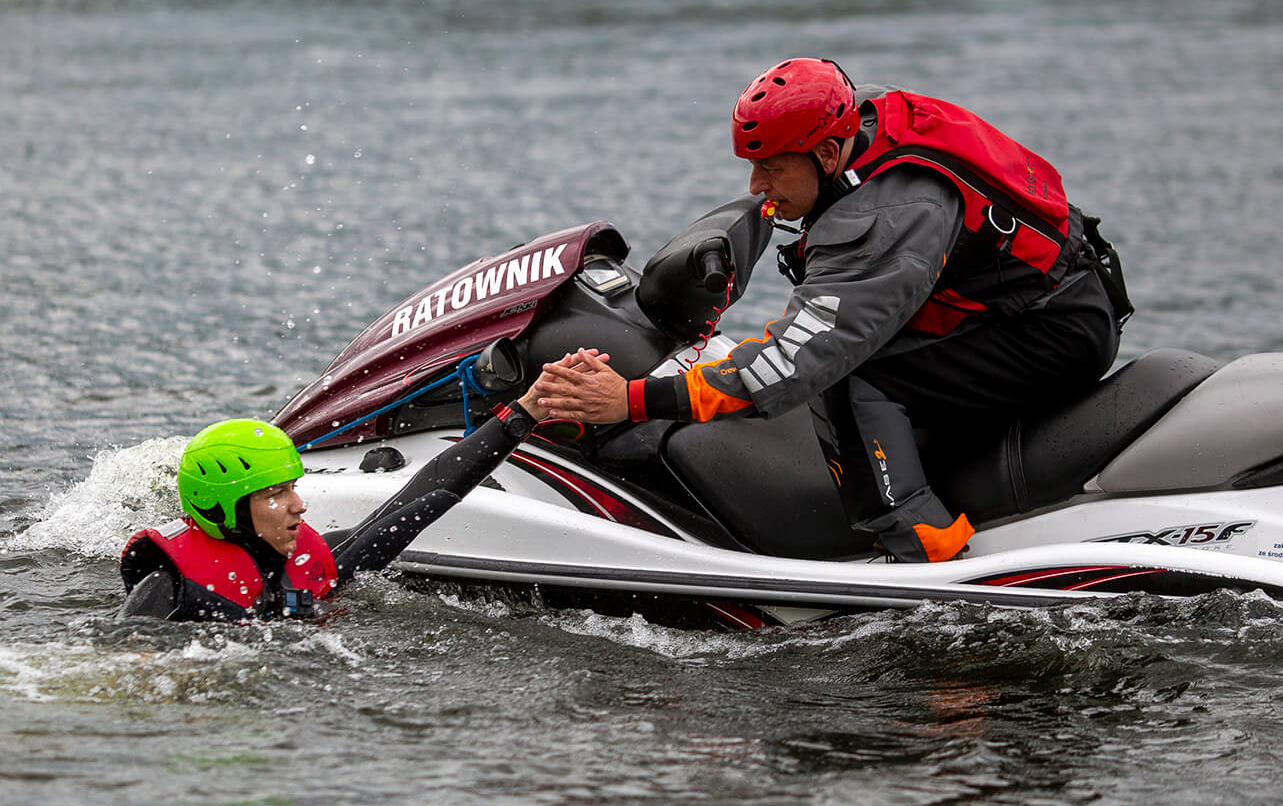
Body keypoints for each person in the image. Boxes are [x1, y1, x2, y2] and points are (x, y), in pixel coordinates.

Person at [535, 58, 1131, 562]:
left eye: (770, 167)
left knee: (851, 378)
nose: (754, 185)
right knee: (845, 354)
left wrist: (633, 399)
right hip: (1035, 297)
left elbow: (793, 365)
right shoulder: (858, 121)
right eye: (750, 163)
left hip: (1052, 328)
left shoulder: (886, 216)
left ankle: (922, 552)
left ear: (824, 152)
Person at [120, 383, 555, 621]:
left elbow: (425, 496)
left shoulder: (313, 561)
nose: (298, 506)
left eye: (293, 487)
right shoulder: (168, 586)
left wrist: (526, 412)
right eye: (275, 495)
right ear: (220, 510)